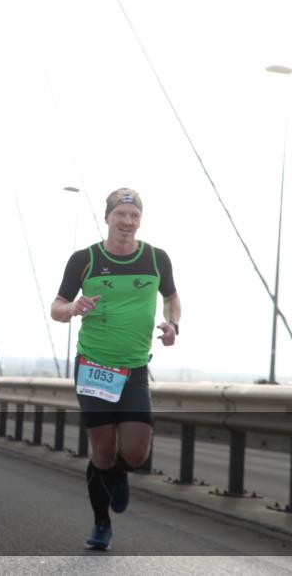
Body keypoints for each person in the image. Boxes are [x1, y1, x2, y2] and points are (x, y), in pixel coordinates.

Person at [50, 188, 181, 551]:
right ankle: (101, 523)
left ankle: (120, 474)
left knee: (136, 452)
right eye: (120, 215)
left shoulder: (156, 259)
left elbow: (171, 298)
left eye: (133, 216)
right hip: (93, 365)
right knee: (103, 451)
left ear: (140, 220)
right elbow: (56, 308)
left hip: (135, 368)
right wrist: (73, 308)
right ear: (107, 217)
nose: (127, 222)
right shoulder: (85, 260)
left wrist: (173, 325)